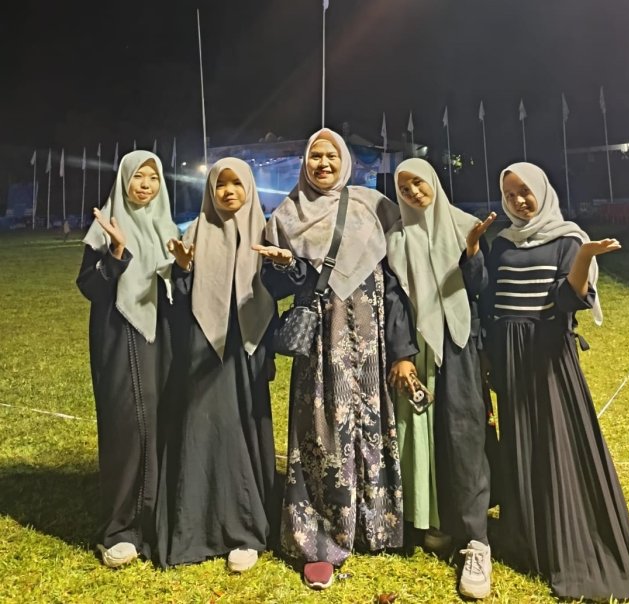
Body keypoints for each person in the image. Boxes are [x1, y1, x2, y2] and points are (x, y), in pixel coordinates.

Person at [484, 162, 629, 600]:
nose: (518, 201)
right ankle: (528, 536)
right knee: (520, 441)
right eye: (510, 194)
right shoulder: (501, 243)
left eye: (525, 191)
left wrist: (584, 257)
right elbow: (490, 301)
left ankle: (569, 539)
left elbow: (566, 301)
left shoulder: (568, 239)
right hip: (508, 355)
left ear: (542, 191)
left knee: (556, 442)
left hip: (547, 352)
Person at [253, 128, 415, 590]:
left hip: (371, 338)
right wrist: (287, 267)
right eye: (315, 156)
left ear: (344, 160)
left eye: (330, 155)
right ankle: (320, 540)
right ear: (305, 162)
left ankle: (374, 525)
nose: (323, 163)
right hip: (322, 342)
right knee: (321, 431)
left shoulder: (373, 206)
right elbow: (275, 287)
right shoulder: (287, 215)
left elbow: (395, 281)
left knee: (372, 423)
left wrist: (402, 348)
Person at [155, 158, 278, 572]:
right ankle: (199, 526)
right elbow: (178, 299)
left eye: (236, 184)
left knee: (244, 428)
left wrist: (284, 267)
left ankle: (246, 528)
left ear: (249, 188)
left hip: (247, 347)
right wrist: (182, 269)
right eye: (220, 184)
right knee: (204, 429)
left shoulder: (265, 232)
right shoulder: (195, 231)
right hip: (203, 347)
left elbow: (278, 290)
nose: (228, 192)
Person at [386, 158, 496, 600]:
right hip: (419, 346)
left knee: (464, 435)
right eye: (404, 188)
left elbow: (480, 289)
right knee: (422, 435)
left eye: (419, 183)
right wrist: (402, 353)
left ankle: (476, 540)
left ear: (433, 181)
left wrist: (472, 252)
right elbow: (395, 298)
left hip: (460, 342)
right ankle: (434, 521)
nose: (413, 192)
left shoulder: (464, 226)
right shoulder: (396, 238)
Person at [76, 151, 178, 567]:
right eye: (138, 176)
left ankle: (158, 521)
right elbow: (90, 288)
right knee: (127, 426)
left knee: (162, 422)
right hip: (120, 336)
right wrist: (116, 252)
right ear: (123, 181)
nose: (146, 185)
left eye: (153, 177)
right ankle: (121, 529)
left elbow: (178, 290)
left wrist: (184, 268)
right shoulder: (104, 230)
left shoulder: (167, 228)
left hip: (163, 339)